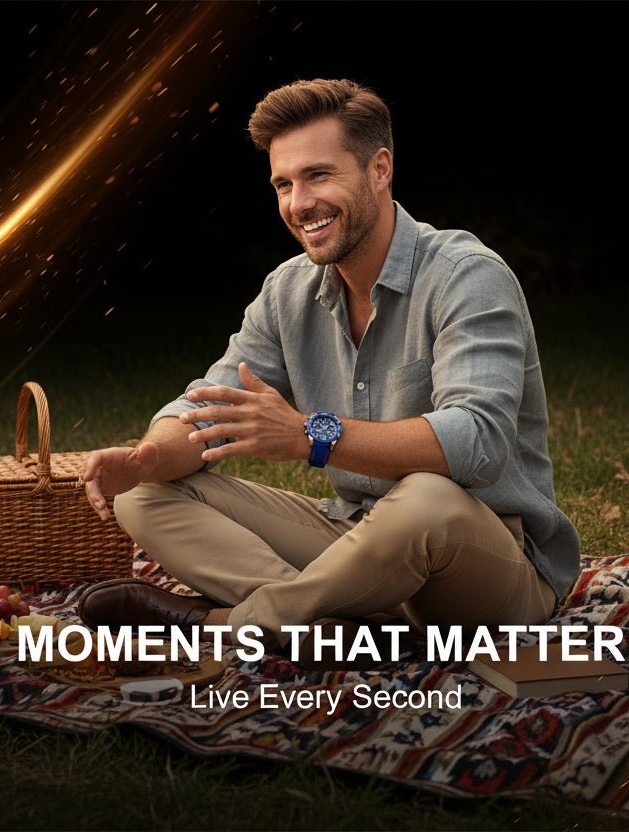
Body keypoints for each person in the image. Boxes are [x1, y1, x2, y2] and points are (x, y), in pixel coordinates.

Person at [80, 78, 580, 665]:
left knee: (425, 499)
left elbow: (477, 443)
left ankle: (232, 623)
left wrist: (307, 436)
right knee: (144, 493)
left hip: (488, 565)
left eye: (318, 175)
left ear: (379, 169)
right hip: (358, 538)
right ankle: (327, 621)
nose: (298, 203)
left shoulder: (466, 275)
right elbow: (207, 405)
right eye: (283, 184)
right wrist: (149, 456)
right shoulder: (287, 290)